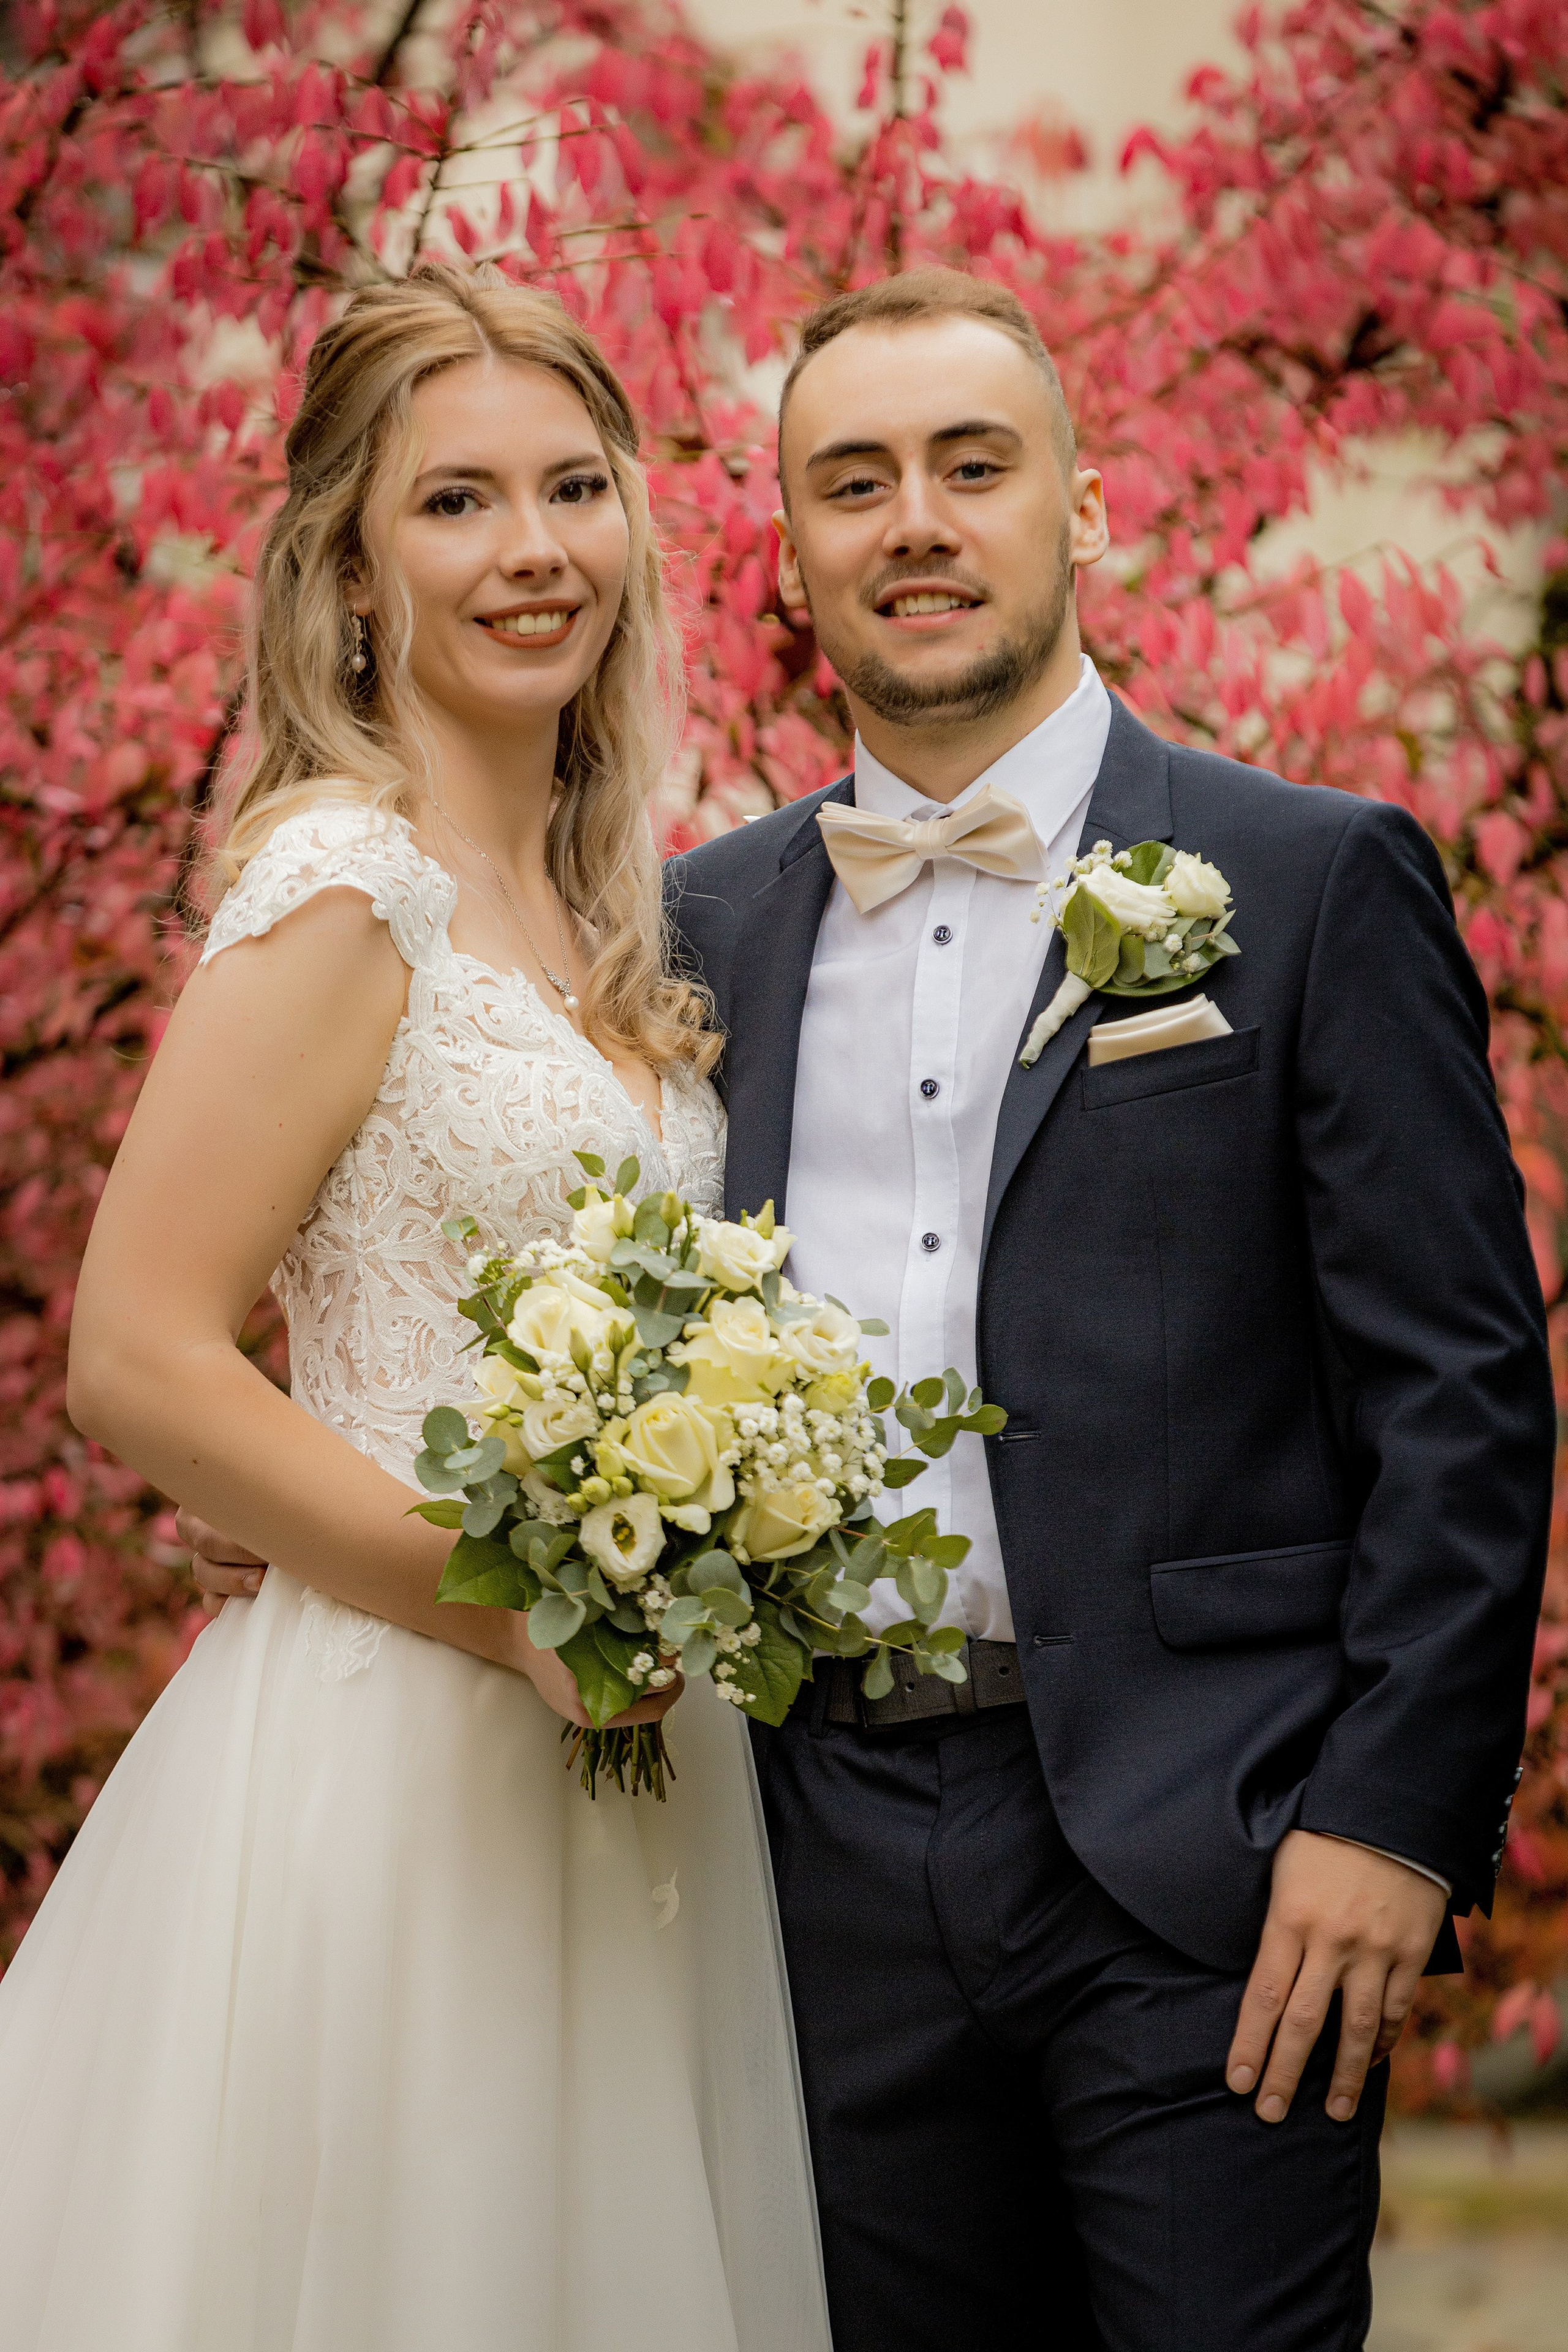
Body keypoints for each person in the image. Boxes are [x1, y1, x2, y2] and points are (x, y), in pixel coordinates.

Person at [658, 271, 1555, 2348]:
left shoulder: (1314, 876)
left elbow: (1464, 1397)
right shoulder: (699, 927)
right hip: (818, 1872)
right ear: (789, 551)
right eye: (853, 482)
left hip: (1217, 1860)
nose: (918, 522)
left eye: (975, 466)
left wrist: (1387, 1822)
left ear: (1085, 503)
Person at [0, 263, 831, 2352]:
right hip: (402, 1750)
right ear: (355, 569)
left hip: (636, 1765)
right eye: (457, 503)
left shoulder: (617, 912)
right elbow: (141, 1350)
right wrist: (515, 1609)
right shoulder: (339, 887)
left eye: (575, 488)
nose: (533, 551)